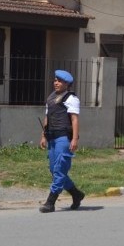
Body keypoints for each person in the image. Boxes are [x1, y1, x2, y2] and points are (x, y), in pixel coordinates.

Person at [39, 69, 85, 213]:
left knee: (60, 169)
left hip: (63, 138)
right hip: (52, 137)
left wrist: (75, 139)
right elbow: (47, 117)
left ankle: (50, 202)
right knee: (54, 170)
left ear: (67, 84)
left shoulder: (71, 99)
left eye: (60, 81)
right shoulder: (51, 98)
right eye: (55, 80)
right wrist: (43, 135)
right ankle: (76, 194)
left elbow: (74, 119)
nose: (56, 83)